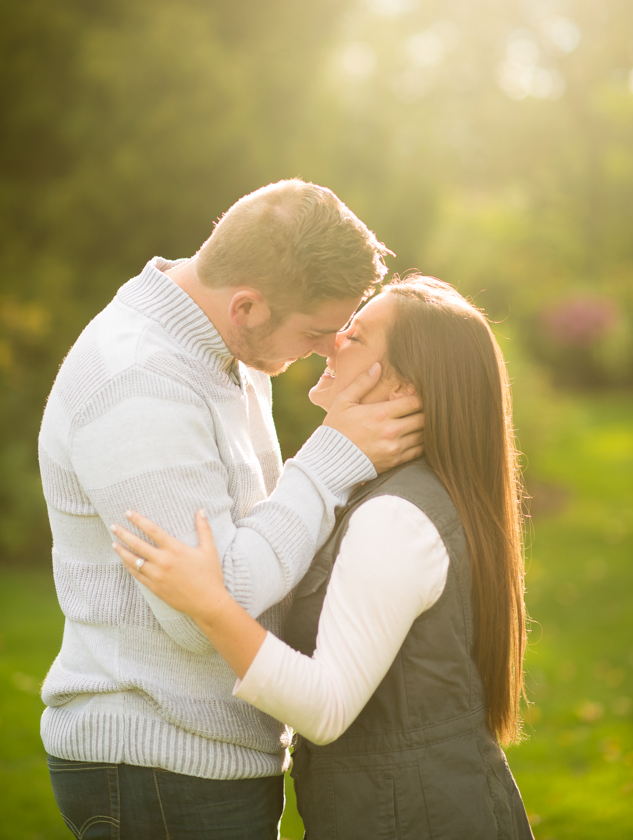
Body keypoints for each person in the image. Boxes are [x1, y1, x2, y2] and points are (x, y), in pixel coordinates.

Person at [39, 180, 424, 840]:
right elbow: (210, 606)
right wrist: (331, 458)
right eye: (316, 331)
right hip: (158, 769)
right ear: (245, 306)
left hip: (195, 766)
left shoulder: (221, 353)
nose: (329, 349)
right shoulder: (141, 382)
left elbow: (249, 544)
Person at [113, 274, 535, 840]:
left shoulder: (396, 518)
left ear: (403, 389)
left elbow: (325, 708)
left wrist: (209, 604)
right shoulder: (398, 492)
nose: (334, 339)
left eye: (355, 336)